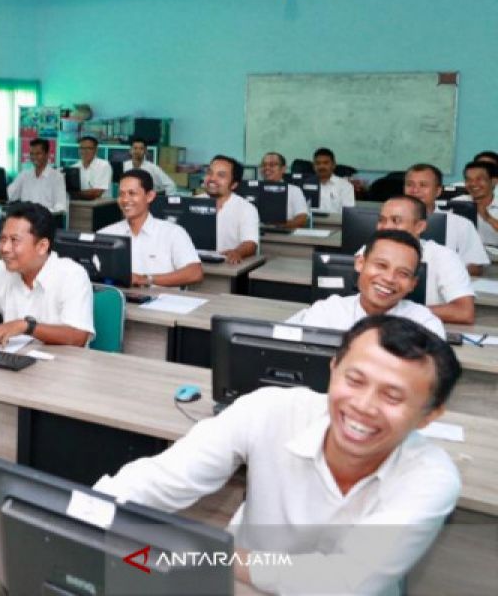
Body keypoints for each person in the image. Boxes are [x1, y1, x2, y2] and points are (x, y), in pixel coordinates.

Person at [87, 314, 461, 595]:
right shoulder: (270, 409)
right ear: (332, 370)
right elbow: (161, 479)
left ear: (430, 415)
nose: (364, 405)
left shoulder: (432, 478)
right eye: (354, 380)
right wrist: (89, 517)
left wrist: (215, 555)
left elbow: (341, 583)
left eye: (392, 396)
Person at [287, 230, 446, 338]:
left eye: (403, 273)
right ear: (360, 263)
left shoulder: (425, 325)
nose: (389, 278)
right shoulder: (327, 312)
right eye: (381, 265)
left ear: (413, 284)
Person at [0, 202, 94, 347]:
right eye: (3, 239)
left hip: (62, 364)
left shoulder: (72, 275)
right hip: (13, 359)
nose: (4, 248)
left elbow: (78, 337)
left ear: (42, 246)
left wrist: (27, 326)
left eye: (14, 240)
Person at [373, 196, 474, 325]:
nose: (386, 227)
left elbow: (464, 312)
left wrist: (400, 312)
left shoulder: (445, 256)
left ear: (419, 226)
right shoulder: (367, 251)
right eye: (382, 220)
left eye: (396, 220)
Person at [99, 170, 203, 288]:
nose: (125, 200)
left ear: (150, 196)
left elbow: (195, 273)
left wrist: (146, 279)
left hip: (162, 303)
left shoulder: (173, 233)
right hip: (121, 301)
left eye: (132, 193)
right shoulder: (106, 234)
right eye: (121, 194)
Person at [404, 163, 489, 275]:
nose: (415, 190)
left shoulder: (461, 224)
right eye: (410, 185)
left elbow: (475, 267)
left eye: (423, 185)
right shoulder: (388, 221)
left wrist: (444, 274)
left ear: (438, 191)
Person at [202, 155, 259, 264]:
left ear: (234, 184)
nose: (212, 178)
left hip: (226, 266)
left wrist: (237, 252)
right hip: (192, 265)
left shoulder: (246, 209)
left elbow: (250, 243)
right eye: (210, 173)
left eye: (221, 175)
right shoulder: (193, 202)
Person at [6, 138, 67, 213]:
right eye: (31, 154)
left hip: (45, 219)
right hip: (25, 219)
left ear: (47, 155)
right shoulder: (24, 175)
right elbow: (11, 195)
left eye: (38, 153)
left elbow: (60, 205)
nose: (34, 157)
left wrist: (45, 214)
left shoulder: (57, 177)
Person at [260, 151, 309, 229]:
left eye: (272, 165)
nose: (267, 168)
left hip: (284, 234)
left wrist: (278, 225)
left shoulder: (294, 190)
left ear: (283, 169)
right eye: (264, 165)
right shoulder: (254, 189)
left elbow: (302, 219)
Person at [456, 160, 498, 247]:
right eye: (468, 180)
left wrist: (487, 218)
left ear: (494, 181)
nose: (473, 184)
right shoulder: (457, 203)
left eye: (479, 179)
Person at [313, 147, 355, 213]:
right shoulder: (304, 185)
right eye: (318, 163)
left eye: (325, 163)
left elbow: (347, 214)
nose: (321, 166)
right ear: (313, 166)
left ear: (333, 165)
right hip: (310, 223)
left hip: (336, 223)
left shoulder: (345, 186)